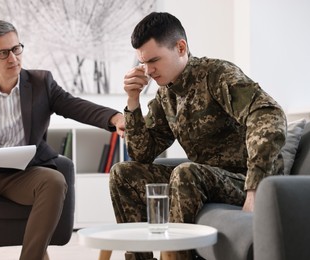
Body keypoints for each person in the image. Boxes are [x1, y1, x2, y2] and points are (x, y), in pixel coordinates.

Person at [0, 20, 124, 260]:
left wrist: (114, 117)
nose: (13, 58)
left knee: (55, 181)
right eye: (3, 53)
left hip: (25, 176)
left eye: (16, 49)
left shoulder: (41, 83)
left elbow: (74, 105)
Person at [109, 12, 286, 260]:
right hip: (205, 178)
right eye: (143, 63)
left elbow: (269, 114)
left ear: (180, 48)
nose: (148, 71)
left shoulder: (217, 74)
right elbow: (142, 153)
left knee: (186, 173)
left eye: (154, 61)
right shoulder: (166, 94)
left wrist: (255, 188)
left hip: (245, 178)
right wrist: (132, 101)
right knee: (122, 174)